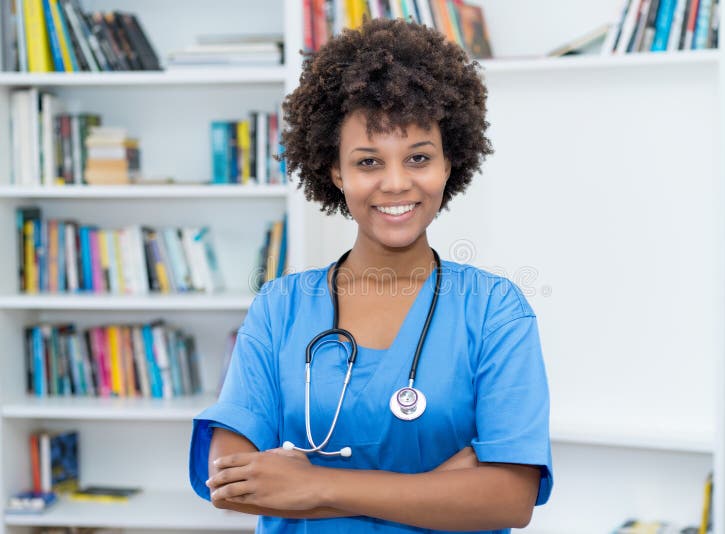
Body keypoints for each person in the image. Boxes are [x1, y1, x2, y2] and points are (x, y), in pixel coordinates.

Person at [189, 16, 553, 533]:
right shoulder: (280, 307)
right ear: (335, 171)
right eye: (368, 162)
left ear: (449, 164)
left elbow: (510, 499)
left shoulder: (495, 310)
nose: (397, 183)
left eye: (419, 157)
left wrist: (317, 484)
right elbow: (228, 483)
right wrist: (445, 484)